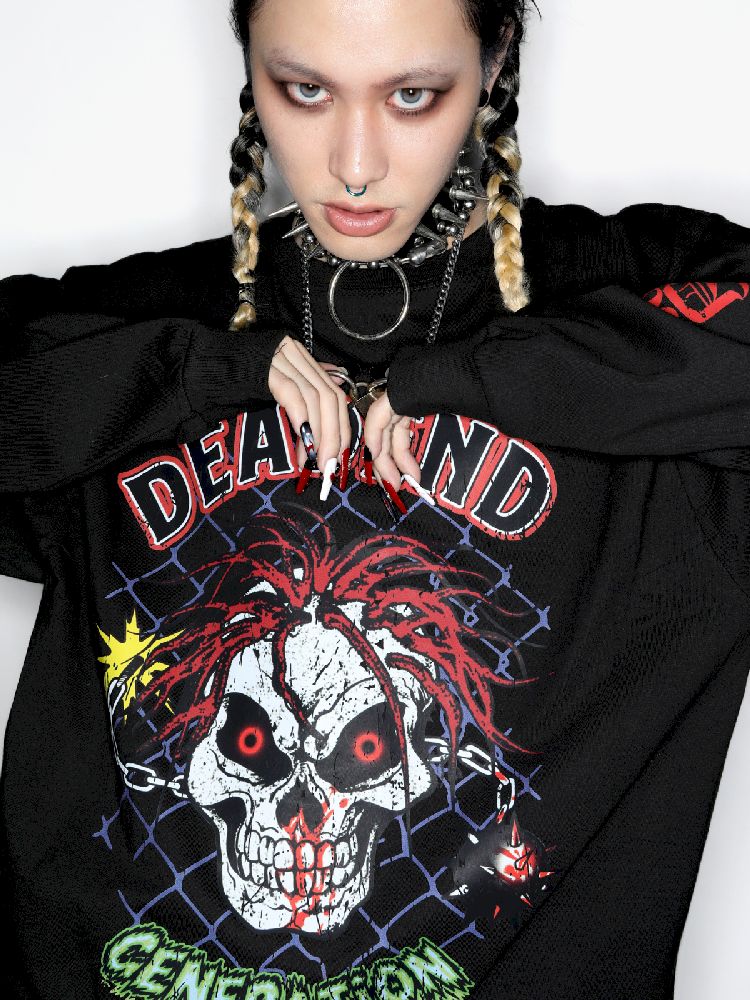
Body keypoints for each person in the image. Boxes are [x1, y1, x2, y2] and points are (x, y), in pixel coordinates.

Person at [1, 1, 749, 998]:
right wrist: (188, 372)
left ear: (495, 59)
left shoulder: (639, 302)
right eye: (305, 90)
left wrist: (491, 376)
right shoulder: (153, 325)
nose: (354, 165)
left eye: (413, 96)